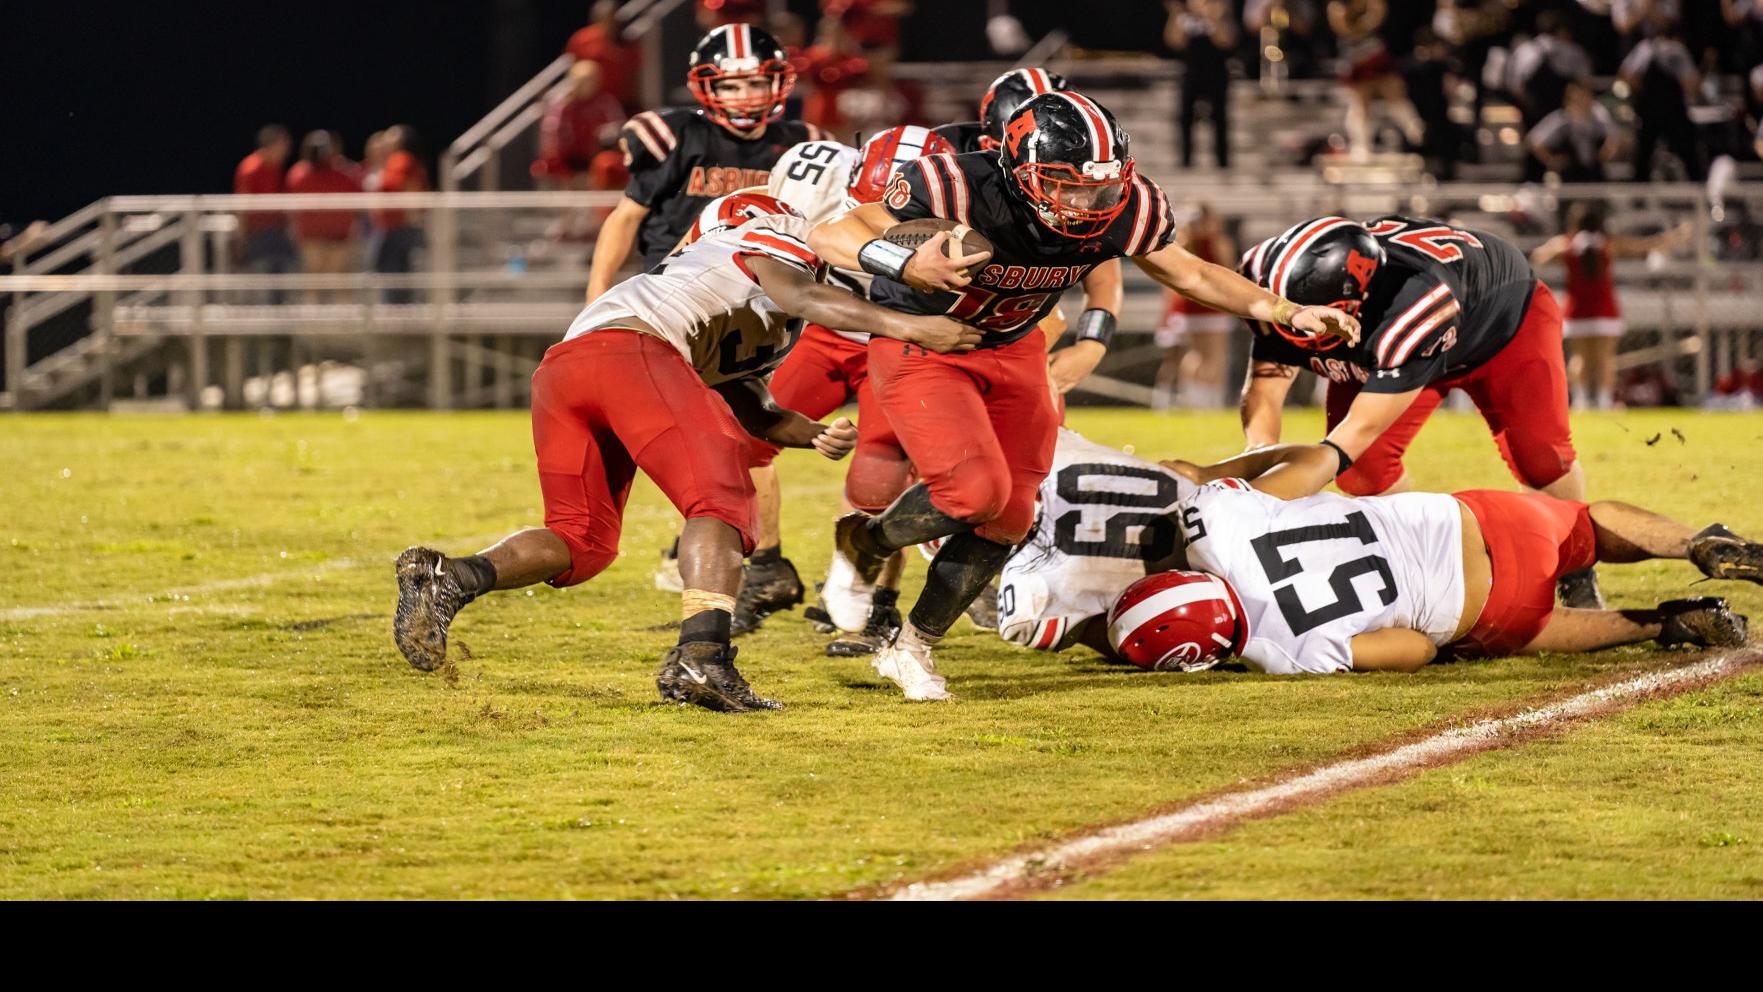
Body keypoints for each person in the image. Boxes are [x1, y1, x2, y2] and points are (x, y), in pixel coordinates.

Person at [808, 91, 1357, 701]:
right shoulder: (956, 181)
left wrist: (1283, 308)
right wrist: (900, 263)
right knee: (974, 495)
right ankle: (864, 541)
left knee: (1012, 516)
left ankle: (911, 645)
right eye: (1066, 186)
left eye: (1099, 188)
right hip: (925, 342)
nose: (1085, 202)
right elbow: (831, 231)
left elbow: (1191, 273)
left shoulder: (1131, 204)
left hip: (1016, 346)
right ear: (1019, 172)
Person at [392, 209, 981, 713]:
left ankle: (449, 579)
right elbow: (801, 293)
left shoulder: (710, 281)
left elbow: (744, 396)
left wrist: (811, 433)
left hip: (566, 370)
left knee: (583, 542)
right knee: (722, 499)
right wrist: (913, 326)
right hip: (635, 352)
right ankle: (702, 659)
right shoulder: (766, 240)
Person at [1104, 442, 1755, 674]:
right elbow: (1310, 460)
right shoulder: (1215, 523)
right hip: (1465, 521)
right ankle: (1691, 543)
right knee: (1583, 526)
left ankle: (1662, 623)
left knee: (1503, 635)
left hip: (1484, 607)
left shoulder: (1279, 650)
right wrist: (1222, 470)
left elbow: (1412, 649)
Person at [1236, 215, 1602, 609]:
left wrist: (1281, 493)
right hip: (1411, 333)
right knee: (1365, 471)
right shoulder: (1261, 277)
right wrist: (1258, 464)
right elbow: (1266, 389)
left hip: (1502, 325)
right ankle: (1418, 565)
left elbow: (1354, 434)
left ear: (1355, 306)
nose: (1304, 337)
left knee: (1541, 459)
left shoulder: (1410, 308)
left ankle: (1575, 571)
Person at [584, 24, 832, 303]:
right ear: (705, 86)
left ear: (777, 83)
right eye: (729, 86)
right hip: (675, 286)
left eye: (755, 83)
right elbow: (626, 217)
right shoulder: (677, 134)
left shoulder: (803, 145)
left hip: (765, 288)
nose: (744, 96)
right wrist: (597, 291)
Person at [1530, 203, 1692, 411]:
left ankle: (1580, 400)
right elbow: (1645, 245)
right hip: (1604, 310)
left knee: (1580, 357)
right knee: (1605, 358)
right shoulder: (1609, 243)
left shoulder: (1566, 244)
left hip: (1577, 310)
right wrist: (1676, 236)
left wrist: (1565, 249)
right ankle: (1604, 400)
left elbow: (1538, 256)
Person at [1153, 204, 1237, 410]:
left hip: (1188, 305)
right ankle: (1207, 399)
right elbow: (1229, 274)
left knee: (1194, 354)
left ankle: (1193, 396)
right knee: (1214, 355)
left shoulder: (1183, 242)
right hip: (1210, 306)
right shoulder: (1216, 242)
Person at [1327, 0, 1425, 159]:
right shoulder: (1337, 6)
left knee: (1393, 91)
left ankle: (1413, 128)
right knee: (1360, 103)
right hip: (1353, 55)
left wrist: (1366, 21)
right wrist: (1360, 25)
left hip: (1374, 52)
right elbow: (1343, 26)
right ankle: (1361, 147)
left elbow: (1377, 15)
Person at [1619, 14, 1706, 181]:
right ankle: (1701, 194)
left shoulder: (1644, 48)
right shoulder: (1677, 50)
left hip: (1648, 110)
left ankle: (1638, 198)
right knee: (1690, 157)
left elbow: (1625, 76)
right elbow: (1691, 85)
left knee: (1643, 159)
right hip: (1673, 110)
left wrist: (1644, 90)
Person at [285, 130, 363, 304]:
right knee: (314, 279)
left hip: (339, 237)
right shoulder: (300, 174)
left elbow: (357, 201)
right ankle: (313, 322)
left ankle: (344, 322)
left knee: (340, 279)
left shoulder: (344, 173)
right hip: (311, 237)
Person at [1165, 0, 1238, 170]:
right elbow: (1174, 42)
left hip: (1217, 73)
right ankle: (1186, 161)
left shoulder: (1221, 14)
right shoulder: (1184, 17)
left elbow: (1226, 41)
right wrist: (1176, 14)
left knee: (1219, 117)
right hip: (1191, 72)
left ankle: (1222, 161)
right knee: (1185, 117)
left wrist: (1212, 17)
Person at [234, 125, 298, 302]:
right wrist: (242, 236)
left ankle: (279, 317)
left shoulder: (278, 166)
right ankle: (263, 320)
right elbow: (243, 204)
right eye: (284, 144)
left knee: (282, 272)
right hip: (258, 233)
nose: (287, 148)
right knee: (261, 274)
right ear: (271, 144)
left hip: (277, 230)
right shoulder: (250, 167)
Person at [369, 126, 429, 304]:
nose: (387, 140)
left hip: (398, 228)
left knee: (393, 271)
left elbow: (409, 186)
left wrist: (409, 215)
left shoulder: (402, 159)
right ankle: (397, 311)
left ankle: (397, 314)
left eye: (391, 137)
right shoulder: (394, 160)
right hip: (396, 227)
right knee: (394, 271)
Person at [1525, 81, 1622, 183]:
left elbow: (1615, 136)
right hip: (1568, 175)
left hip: (1594, 172)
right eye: (1579, 99)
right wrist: (1551, 160)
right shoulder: (1561, 120)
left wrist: (1608, 149)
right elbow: (1532, 141)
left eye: (1586, 97)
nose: (1584, 102)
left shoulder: (1598, 118)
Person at [566, 1, 641, 111]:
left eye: (610, 17)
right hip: (590, 102)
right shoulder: (582, 40)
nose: (607, 21)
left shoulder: (626, 41)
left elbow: (634, 73)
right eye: (603, 17)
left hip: (620, 102)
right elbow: (574, 69)